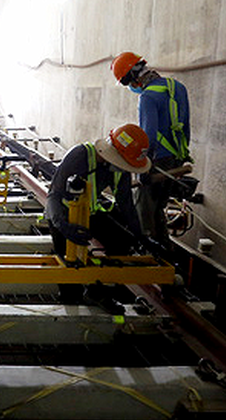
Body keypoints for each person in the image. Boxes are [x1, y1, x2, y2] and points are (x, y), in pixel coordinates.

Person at [45, 124, 153, 312]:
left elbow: (127, 205)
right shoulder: (79, 156)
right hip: (63, 215)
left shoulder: (120, 168)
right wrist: (63, 226)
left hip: (91, 213)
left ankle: (101, 290)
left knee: (121, 242)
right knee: (68, 263)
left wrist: (141, 236)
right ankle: (70, 304)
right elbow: (53, 196)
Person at [111, 52, 192, 243]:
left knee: (144, 211)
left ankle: (148, 255)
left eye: (126, 83)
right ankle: (165, 252)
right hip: (177, 158)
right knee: (159, 210)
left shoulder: (147, 97)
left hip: (157, 161)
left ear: (133, 79)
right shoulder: (177, 87)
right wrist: (181, 157)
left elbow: (149, 138)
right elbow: (186, 127)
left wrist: (142, 168)